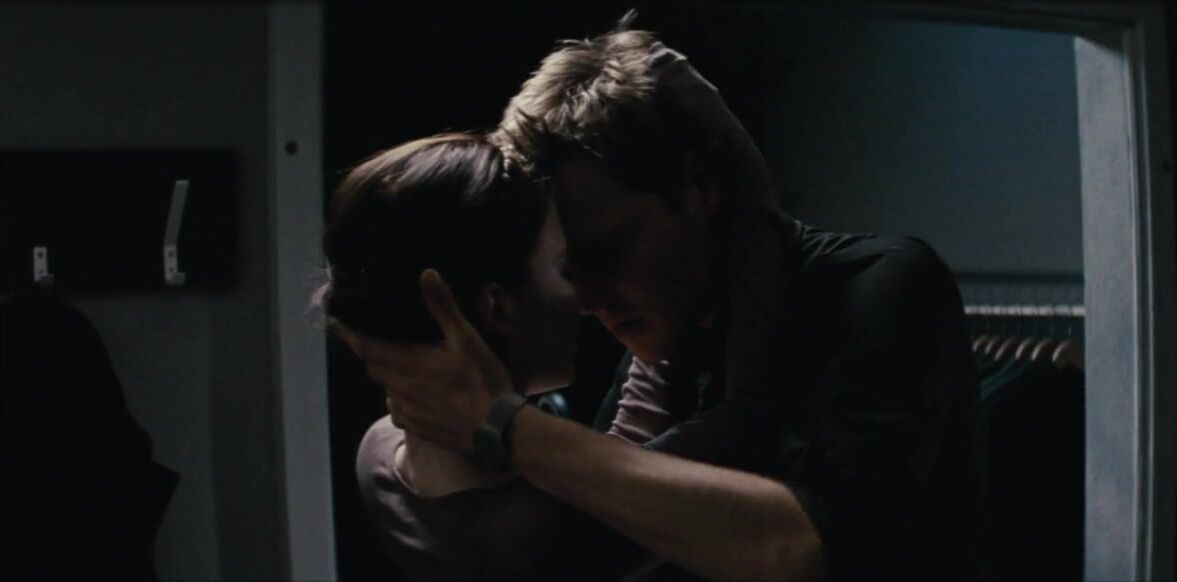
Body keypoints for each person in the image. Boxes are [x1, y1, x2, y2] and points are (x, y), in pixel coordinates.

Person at [338, 17, 983, 582]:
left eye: (605, 252)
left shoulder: (882, 286)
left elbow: (816, 548)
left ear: (697, 184)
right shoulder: (658, 341)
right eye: (567, 266)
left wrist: (504, 424)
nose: (586, 299)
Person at [316, 133, 653, 580]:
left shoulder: (378, 452)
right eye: (564, 267)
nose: (585, 297)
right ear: (497, 307)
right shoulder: (577, 519)